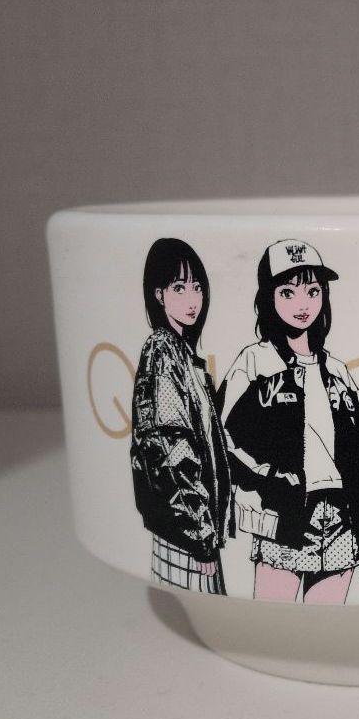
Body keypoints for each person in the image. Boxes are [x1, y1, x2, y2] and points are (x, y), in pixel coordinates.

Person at [221, 239, 359, 604]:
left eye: (313, 291)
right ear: (268, 297)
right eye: (288, 292)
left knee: (327, 626)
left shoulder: (337, 371)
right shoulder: (256, 363)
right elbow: (224, 440)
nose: (302, 304)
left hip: (341, 520)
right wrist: (271, 481)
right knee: (272, 623)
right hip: (284, 517)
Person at [130, 237, 234, 595]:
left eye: (197, 287)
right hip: (185, 534)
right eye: (179, 287)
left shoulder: (183, 355)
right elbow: (171, 450)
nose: (192, 300)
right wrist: (200, 535)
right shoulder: (163, 352)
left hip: (189, 530)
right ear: (159, 295)